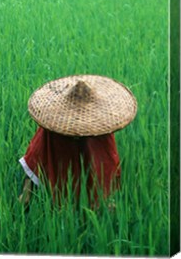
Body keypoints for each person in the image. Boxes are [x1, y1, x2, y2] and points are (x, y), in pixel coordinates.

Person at [19, 75, 137, 208]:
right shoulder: (51, 130)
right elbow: (37, 157)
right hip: (61, 149)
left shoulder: (101, 134)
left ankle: (96, 201)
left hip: (86, 148)